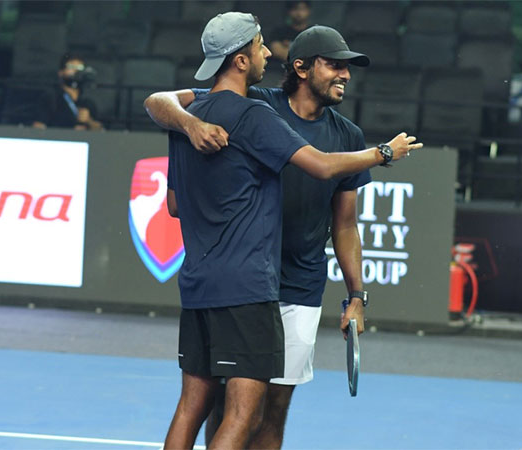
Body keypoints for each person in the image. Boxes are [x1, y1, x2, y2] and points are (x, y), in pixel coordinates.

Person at [148, 13, 421, 450]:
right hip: (250, 285)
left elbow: (345, 226)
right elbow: (160, 100)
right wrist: (189, 124)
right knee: (231, 410)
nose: (345, 75)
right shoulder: (254, 105)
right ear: (301, 67)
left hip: (293, 288)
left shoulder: (344, 133)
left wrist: (356, 296)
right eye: (335, 64)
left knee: (267, 410)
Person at [32, 53, 103, 131]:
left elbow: (101, 131)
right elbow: (38, 127)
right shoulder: (51, 98)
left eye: (80, 68)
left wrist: (88, 121)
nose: (76, 71)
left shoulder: (87, 103)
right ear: (61, 72)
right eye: (71, 67)